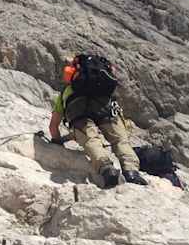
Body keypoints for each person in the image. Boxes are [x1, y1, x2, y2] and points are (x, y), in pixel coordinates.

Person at [48, 55, 148, 188]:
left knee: (91, 140)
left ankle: (107, 169)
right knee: (119, 140)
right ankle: (131, 172)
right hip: (105, 104)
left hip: (78, 109)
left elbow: (53, 126)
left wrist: (56, 141)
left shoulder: (66, 92)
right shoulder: (101, 86)